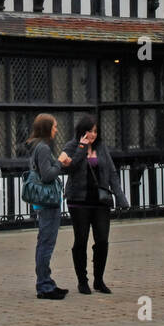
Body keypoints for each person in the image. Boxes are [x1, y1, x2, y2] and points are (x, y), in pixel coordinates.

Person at [60, 115, 127, 295]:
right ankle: (83, 281)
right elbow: (68, 167)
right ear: (82, 131)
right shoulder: (72, 146)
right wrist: (82, 148)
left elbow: (112, 173)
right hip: (78, 201)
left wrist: (120, 197)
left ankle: (99, 280)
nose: (93, 135)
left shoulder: (102, 148)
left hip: (100, 201)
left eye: (95, 131)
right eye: (90, 131)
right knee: (81, 241)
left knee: (102, 241)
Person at [27, 113, 78, 299]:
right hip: (48, 203)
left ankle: (47, 281)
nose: (57, 129)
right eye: (55, 126)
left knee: (45, 242)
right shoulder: (43, 148)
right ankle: (44, 286)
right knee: (46, 243)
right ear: (47, 128)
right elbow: (48, 175)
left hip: (44, 203)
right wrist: (60, 161)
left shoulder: (37, 147)